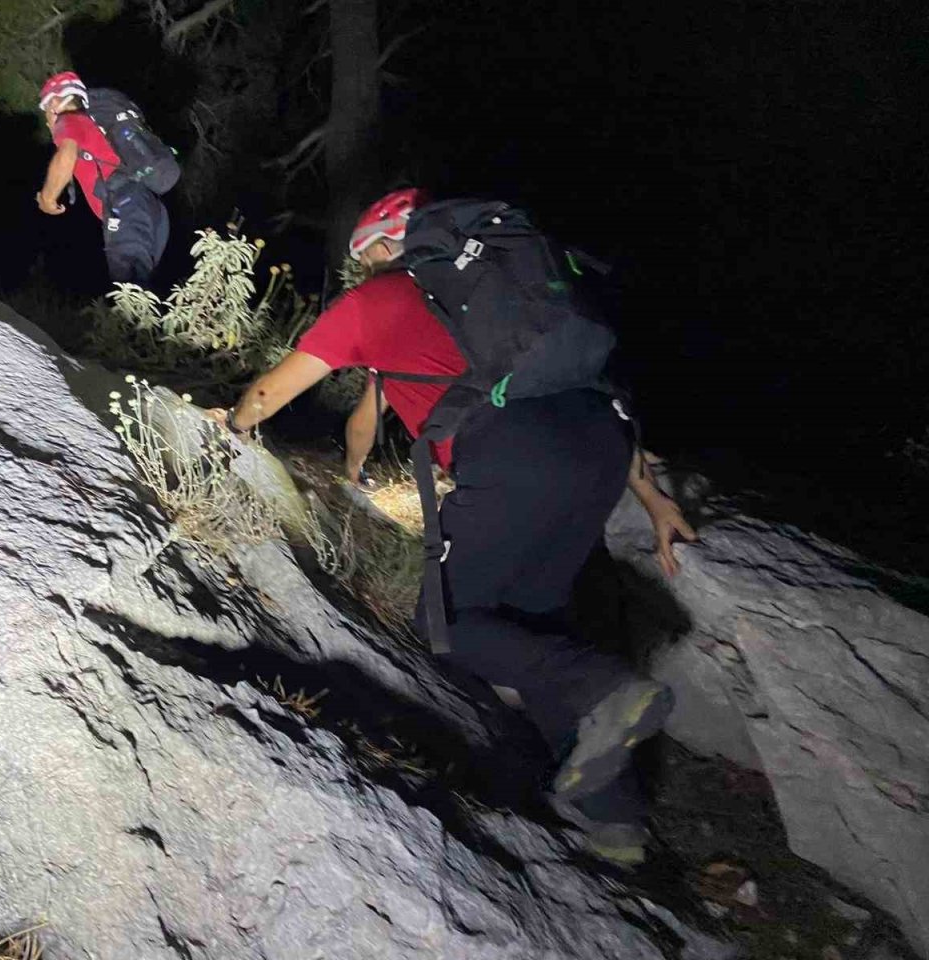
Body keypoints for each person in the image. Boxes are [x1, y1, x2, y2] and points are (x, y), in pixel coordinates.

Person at [208, 189, 698, 863]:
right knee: (531, 626)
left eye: (364, 254)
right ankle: (612, 818)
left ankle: (610, 689)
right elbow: (368, 418)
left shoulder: (375, 304)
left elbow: (269, 392)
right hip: (598, 450)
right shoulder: (490, 306)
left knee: (448, 624)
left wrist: (230, 427)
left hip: (514, 453)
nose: (362, 267)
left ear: (385, 246)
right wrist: (656, 501)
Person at [35, 71, 170, 286]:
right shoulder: (92, 125)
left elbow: (65, 156)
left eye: (46, 114)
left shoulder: (68, 120)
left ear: (56, 102)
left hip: (125, 205)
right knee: (140, 284)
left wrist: (47, 198)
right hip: (148, 206)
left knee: (128, 287)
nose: (48, 123)